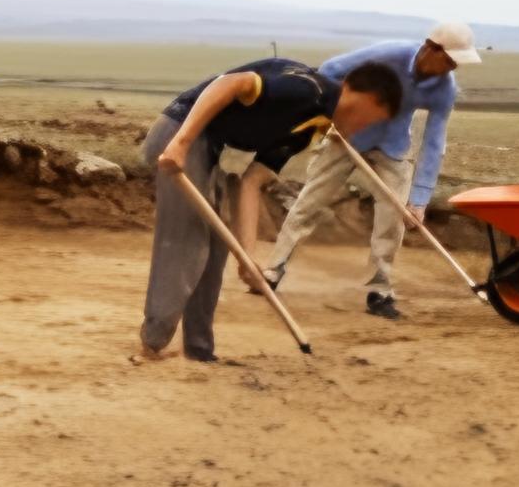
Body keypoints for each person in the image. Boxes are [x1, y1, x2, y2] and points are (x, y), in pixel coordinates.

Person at [139, 56, 403, 362]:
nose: (361, 128)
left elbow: (252, 182)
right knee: (189, 241)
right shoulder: (304, 90)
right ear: (359, 93)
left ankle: (199, 351)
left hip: (211, 148)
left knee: (217, 247)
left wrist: (247, 257)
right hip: (182, 132)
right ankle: (152, 344)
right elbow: (231, 83)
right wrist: (181, 143)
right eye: (366, 118)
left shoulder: (310, 128)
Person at [261, 22, 480, 320]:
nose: (453, 67)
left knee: (393, 217)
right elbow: (329, 70)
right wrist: (333, 116)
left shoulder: (444, 89)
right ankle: (273, 271)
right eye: (450, 59)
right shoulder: (389, 54)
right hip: (346, 136)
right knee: (309, 203)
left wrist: (420, 199)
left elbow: (434, 141)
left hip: (392, 147)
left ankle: (380, 291)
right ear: (431, 48)